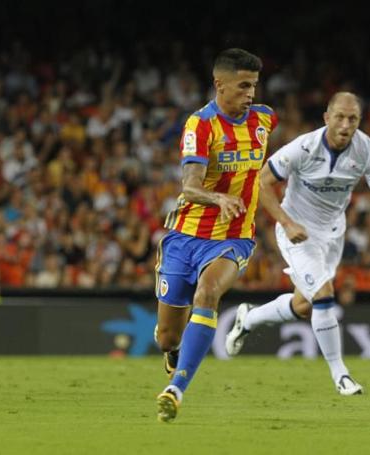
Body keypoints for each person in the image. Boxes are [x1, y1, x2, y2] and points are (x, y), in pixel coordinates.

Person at [225, 92, 370, 395]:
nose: (345, 125)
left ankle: (248, 319)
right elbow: (260, 182)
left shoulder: (365, 149)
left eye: (353, 119)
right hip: (297, 230)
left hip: (333, 234)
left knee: (304, 305)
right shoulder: (303, 148)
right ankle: (341, 375)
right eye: (340, 117)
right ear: (326, 118)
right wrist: (287, 223)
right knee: (324, 294)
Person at [154, 48, 277, 422]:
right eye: (242, 85)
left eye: (254, 85)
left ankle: (176, 389)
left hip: (233, 237)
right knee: (166, 337)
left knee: (208, 292)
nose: (250, 93)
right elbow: (189, 186)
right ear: (219, 84)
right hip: (184, 236)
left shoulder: (264, 120)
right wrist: (217, 197)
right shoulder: (200, 125)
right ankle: (176, 351)